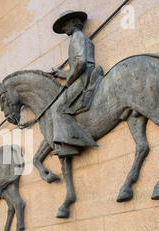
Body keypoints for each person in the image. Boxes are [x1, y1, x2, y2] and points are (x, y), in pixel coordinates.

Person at [49, 10, 103, 157]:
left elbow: (81, 62)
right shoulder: (80, 37)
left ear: (73, 22)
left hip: (83, 78)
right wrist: (61, 73)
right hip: (84, 74)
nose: (64, 29)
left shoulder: (77, 37)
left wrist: (69, 80)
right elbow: (77, 66)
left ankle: (71, 144)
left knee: (57, 109)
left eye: (65, 25)